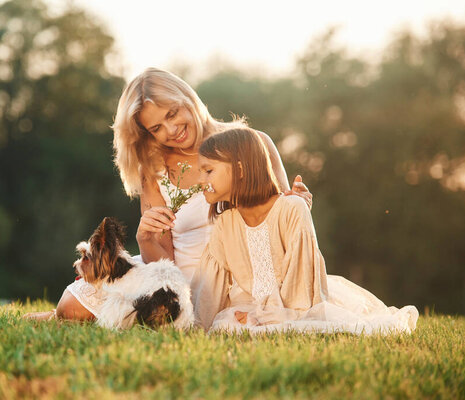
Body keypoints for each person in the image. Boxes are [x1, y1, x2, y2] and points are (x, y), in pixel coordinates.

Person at [23, 68, 311, 322]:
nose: (172, 130)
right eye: (157, 128)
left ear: (188, 99)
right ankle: (78, 315)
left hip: (242, 276)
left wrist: (296, 201)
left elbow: (280, 224)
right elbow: (162, 264)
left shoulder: (252, 144)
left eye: (172, 113)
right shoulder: (154, 169)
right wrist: (146, 238)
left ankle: (126, 315)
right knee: (72, 306)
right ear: (147, 133)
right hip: (179, 280)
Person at [192, 127, 418, 334]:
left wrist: (266, 317)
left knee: (313, 326)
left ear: (240, 169)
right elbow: (209, 291)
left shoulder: (291, 209)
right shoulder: (225, 224)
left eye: (208, 171)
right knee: (225, 326)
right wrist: (194, 325)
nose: (200, 180)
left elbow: (301, 288)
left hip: (299, 306)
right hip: (250, 307)